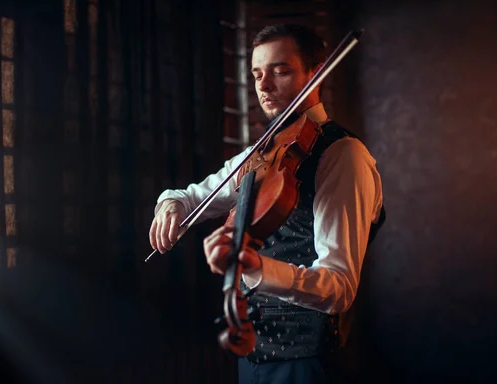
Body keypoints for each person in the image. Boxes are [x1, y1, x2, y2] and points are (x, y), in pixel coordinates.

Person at [149, 23, 385, 384]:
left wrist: (256, 266)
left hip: (310, 360)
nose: (263, 85)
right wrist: (170, 205)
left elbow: (339, 287)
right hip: (252, 349)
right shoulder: (261, 153)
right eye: (257, 74)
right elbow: (191, 196)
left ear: (315, 73)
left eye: (281, 71)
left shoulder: (343, 156)